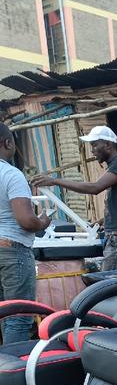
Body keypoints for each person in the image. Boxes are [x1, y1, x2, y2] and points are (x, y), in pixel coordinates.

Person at [32, 126, 117, 271]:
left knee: (112, 281)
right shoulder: (116, 166)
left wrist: (55, 181)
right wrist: (102, 221)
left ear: (107, 145)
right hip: (116, 235)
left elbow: (95, 188)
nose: (92, 150)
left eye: (95, 145)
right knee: (111, 281)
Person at [0, 123, 51, 344]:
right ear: (8, 143)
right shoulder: (11, 174)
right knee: (19, 317)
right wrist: (43, 221)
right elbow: (26, 221)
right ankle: (14, 373)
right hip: (12, 251)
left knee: (3, 314)